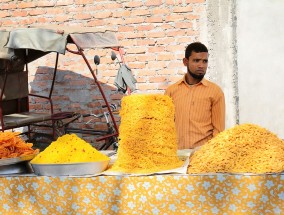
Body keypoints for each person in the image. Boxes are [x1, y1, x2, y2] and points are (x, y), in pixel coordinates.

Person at [165, 42, 225, 149]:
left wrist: (209, 154)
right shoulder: (171, 91)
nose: (201, 65)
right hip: (177, 156)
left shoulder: (215, 92)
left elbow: (218, 131)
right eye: (196, 60)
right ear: (185, 62)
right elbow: (165, 127)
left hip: (203, 157)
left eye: (205, 61)